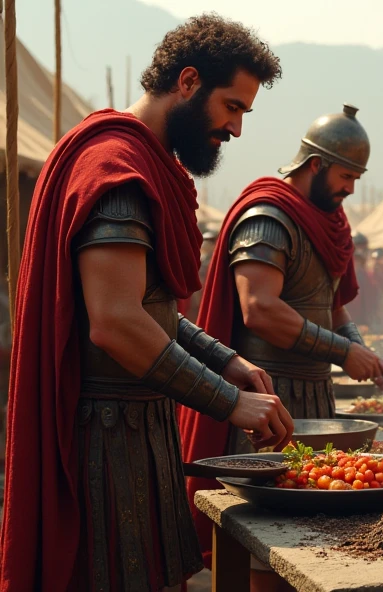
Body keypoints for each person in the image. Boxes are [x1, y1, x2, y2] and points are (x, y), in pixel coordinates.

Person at [0, 15, 292, 591]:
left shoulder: (148, 166)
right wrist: (228, 400)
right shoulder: (118, 172)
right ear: (188, 82)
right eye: (231, 107)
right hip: (103, 443)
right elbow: (114, 321)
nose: (235, 128)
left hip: (141, 430)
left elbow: (150, 306)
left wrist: (226, 360)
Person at [177, 107, 383, 573]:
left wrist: (364, 353)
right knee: (263, 543)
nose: (350, 189)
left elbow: (334, 306)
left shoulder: (330, 222)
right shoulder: (269, 217)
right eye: (346, 176)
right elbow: (259, 309)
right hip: (266, 398)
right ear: (316, 164)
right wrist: (344, 351)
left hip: (316, 399)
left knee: (318, 536)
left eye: (358, 178)